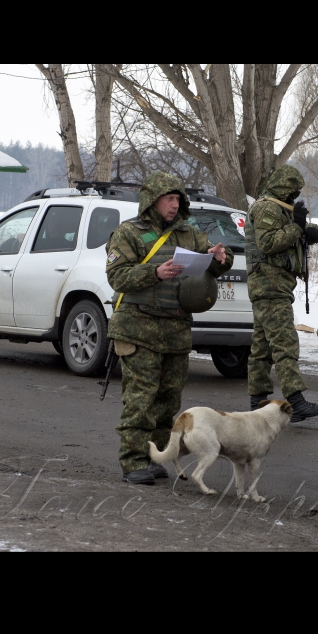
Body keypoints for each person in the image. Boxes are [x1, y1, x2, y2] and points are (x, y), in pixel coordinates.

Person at [105, 172, 234, 485]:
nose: (175, 205)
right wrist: (155, 272)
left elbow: (218, 263)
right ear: (153, 200)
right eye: (169, 199)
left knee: (167, 402)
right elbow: (117, 276)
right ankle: (133, 461)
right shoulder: (129, 232)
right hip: (138, 328)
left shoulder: (189, 234)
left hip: (176, 331)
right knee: (140, 401)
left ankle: (154, 457)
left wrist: (220, 257)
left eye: (178, 199)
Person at [245, 164, 318, 423]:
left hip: (273, 286)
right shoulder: (266, 207)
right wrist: (296, 227)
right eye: (293, 189)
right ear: (284, 186)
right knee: (285, 344)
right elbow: (267, 243)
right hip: (269, 286)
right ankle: (295, 401)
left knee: (262, 348)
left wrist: (307, 230)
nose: (295, 194)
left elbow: (290, 229)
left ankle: (257, 402)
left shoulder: (279, 207)